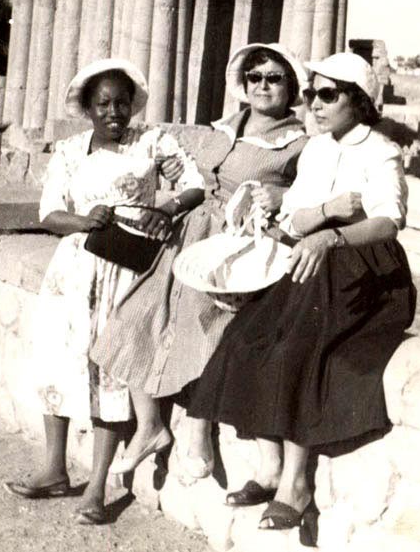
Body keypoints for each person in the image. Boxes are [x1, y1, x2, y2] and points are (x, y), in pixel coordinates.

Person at [187, 52, 416, 532]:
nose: (315, 104)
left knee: (300, 345)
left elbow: (387, 222)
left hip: (367, 271)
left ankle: (295, 483)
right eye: (312, 94)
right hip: (313, 261)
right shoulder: (316, 149)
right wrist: (322, 215)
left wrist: (332, 235)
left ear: (358, 101)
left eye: (327, 94)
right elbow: (294, 219)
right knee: (247, 334)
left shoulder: (381, 151)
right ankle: (269, 466)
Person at [91, 43, 309, 479]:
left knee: (202, 325)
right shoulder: (220, 129)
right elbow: (186, 173)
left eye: (274, 78)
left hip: (232, 246)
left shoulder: (299, 143)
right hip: (187, 235)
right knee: (137, 313)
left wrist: (283, 195)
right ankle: (150, 426)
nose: (263, 86)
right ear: (243, 84)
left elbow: (315, 192)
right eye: (255, 77)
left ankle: (198, 430)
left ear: (291, 86)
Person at [4, 58, 204, 524]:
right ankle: (53, 469)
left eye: (122, 103)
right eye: (103, 104)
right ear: (88, 108)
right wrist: (83, 219)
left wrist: (167, 209)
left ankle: (97, 487)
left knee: (110, 369)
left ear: (133, 105)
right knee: (57, 361)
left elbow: (194, 185)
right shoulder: (71, 151)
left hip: (127, 269)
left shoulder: (153, 142)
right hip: (75, 268)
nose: (114, 112)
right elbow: (49, 213)